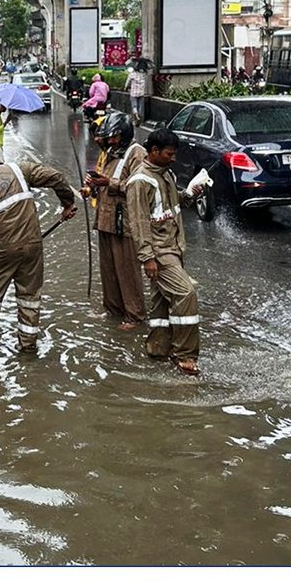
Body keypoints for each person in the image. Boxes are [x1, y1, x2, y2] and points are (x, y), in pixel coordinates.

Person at [0, 150, 77, 352]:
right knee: (30, 297)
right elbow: (56, 177)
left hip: (2, 249)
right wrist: (67, 203)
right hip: (33, 245)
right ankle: (28, 346)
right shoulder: (20, 169)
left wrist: (7, 244)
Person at [126, 127, 203, 375]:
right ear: (154, 151)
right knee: (186, 293)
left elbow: (171, 205)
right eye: (169, 154)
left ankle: (158, 348)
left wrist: (189, 195)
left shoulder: (166, 174)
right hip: (160, 251)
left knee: (160, 302)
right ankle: (185, 355)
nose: (174, 158)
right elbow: (138, 223)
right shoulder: (140, 181)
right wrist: (147, 258)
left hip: (174, 247)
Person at [85, 112, 147, 329]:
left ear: (124, 135)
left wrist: (108, 182)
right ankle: (113, 311)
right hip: (105, 219)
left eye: (113, 137)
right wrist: (93, 186)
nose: (109, 141)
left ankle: (135, 316)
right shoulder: (112, 152)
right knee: (109, 271)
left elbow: (138, 185)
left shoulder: (136, 153)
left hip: (124, 222)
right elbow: (104, 180)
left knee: (127, 270)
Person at [125, 59, 149, 125]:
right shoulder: (144, 74)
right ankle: (141, 118)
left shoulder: (132, 74)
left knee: (134, 106)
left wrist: (126, 87)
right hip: (141, 93)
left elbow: (128, 82)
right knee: (141, 106)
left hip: (133, 93)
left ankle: (136, 115)